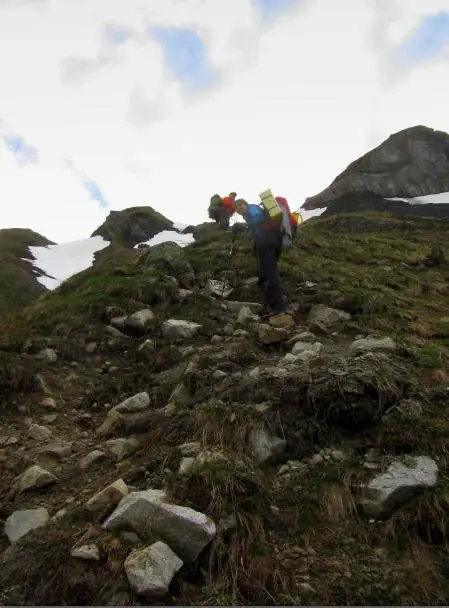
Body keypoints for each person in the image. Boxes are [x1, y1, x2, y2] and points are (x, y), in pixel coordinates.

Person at [232, 198, 286, 316]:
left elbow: (260, 218)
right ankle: (267, 304)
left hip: (268, 243)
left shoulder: (252, 208)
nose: (238, 208)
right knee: (263, 276)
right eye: (236, 207)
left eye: (240, 204)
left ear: (246, 204)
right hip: (264, 245)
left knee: (270, 275)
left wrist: (245, 225)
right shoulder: (248, 215)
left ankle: (278, 307)